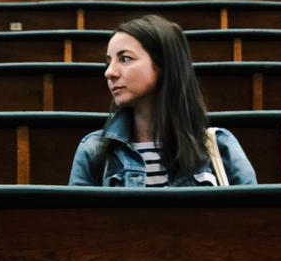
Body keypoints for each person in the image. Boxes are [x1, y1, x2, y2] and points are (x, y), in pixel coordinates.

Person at [69, 14, 257, 187]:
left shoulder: (220, 148)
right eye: (108, 61)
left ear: (164, 65)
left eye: (125, 58)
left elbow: (254, 220)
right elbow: (78, 222)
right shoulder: (93, 151)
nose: (109, 72)